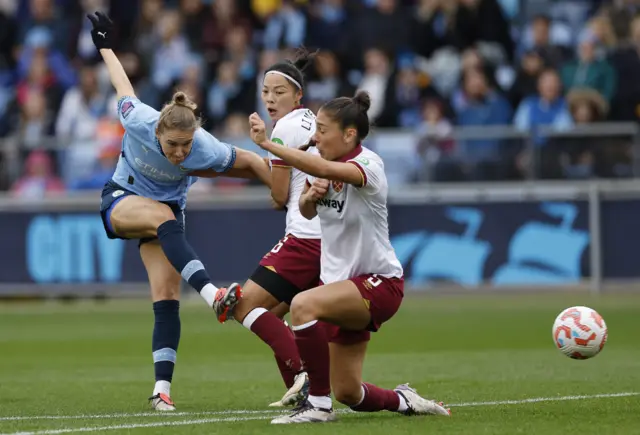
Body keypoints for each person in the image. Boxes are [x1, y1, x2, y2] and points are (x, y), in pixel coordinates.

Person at [87, 12, 271, 412]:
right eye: (172, 145)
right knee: (163, 218)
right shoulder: (138, 119)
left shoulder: (203, 145)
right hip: (122, 198)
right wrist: (104, 43)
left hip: (167, 212)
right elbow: (122, 83)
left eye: (186, 146)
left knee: (166, 297)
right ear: (158, 133)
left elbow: (245, 160)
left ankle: (161, 390)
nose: (180, 153)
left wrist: (276, 178)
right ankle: (212, 294)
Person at [246, 91, 451, 424]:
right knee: (350, 392)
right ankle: (404, 401)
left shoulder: (369, 164)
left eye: (323, 130)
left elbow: (325, 168)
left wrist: (269, 146)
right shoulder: (323, 163)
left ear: (349, 134)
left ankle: (317, 406)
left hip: (380, 283)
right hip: (344, 287)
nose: (315, 137)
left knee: (301, 305)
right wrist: (310, 198)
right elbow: (306, 211)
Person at [216, 49, 323, 408]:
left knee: (244, 306)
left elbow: (279, 196)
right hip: (328, 239)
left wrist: (264, 160)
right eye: (266, 91)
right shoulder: (313, 121)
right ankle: (300, 392)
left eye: (279, 92)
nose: (270, 99)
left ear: (297, 95)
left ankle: (306, 376)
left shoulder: (284, 129)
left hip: (304, 238)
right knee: (274, 315)